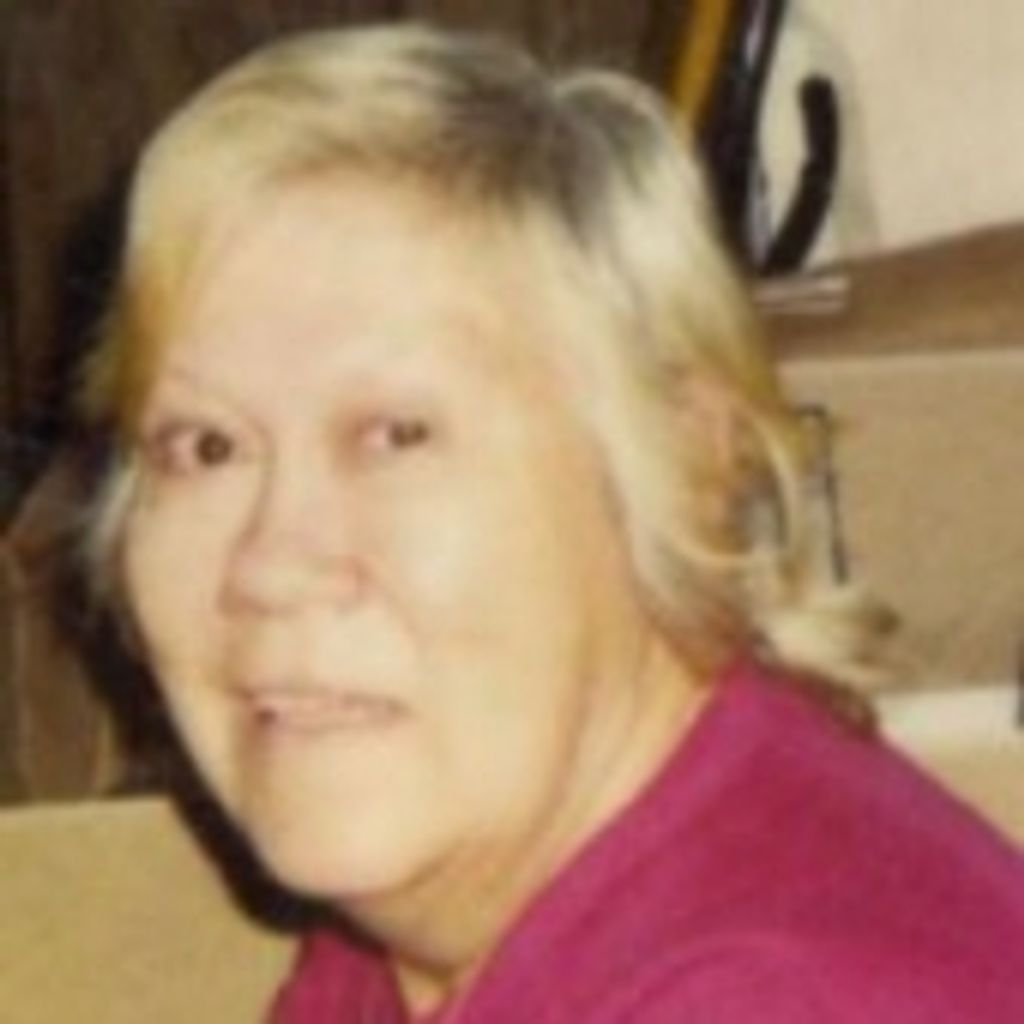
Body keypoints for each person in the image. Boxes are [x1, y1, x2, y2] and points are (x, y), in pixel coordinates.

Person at [80, 23, 1024, 1023]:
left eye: (396, 434)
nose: (270, 565)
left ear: (680, 465)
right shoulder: (422, 935)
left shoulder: (780, 996)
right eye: (204, 447)